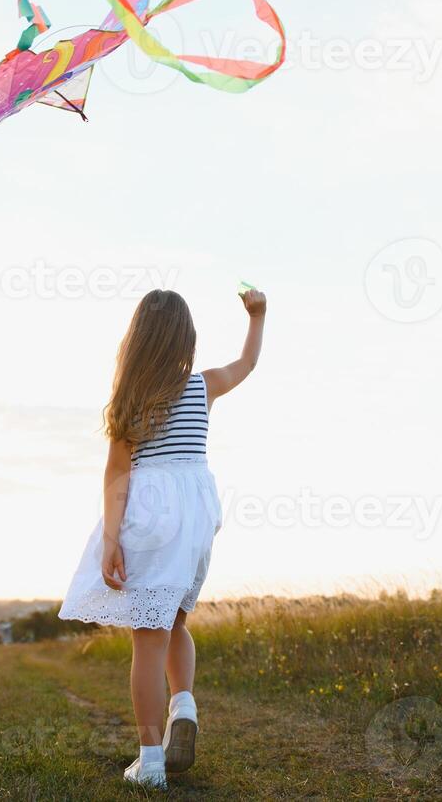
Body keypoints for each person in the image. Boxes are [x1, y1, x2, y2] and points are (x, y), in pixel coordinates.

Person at [59, 286, 267, 787]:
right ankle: (184, 705)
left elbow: (117, 477)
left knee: (146, 643)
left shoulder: (130, 403)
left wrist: (111, 539)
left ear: (137, 341)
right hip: (195, 516)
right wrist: (258, 316)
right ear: (185, 340)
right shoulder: (205, 386)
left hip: (149, 515)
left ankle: (151, 762)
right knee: (175, 622)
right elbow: (247, 364)